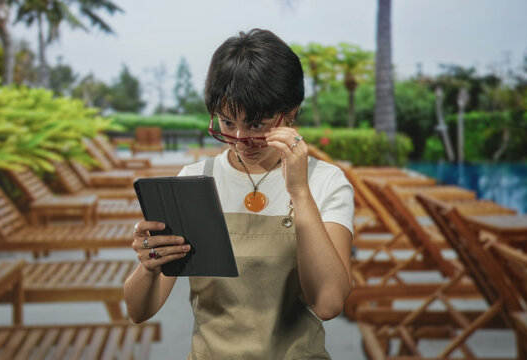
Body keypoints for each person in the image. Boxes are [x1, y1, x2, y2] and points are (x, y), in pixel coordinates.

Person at [124, 29, 354, 359]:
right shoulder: (195, 180)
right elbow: (138, 311)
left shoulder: (325, 182)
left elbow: (329, 303)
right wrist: (147, 267)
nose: (240, 139)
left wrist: (300, 192)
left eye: (257, 125)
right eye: (227, 123)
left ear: (290, 112)